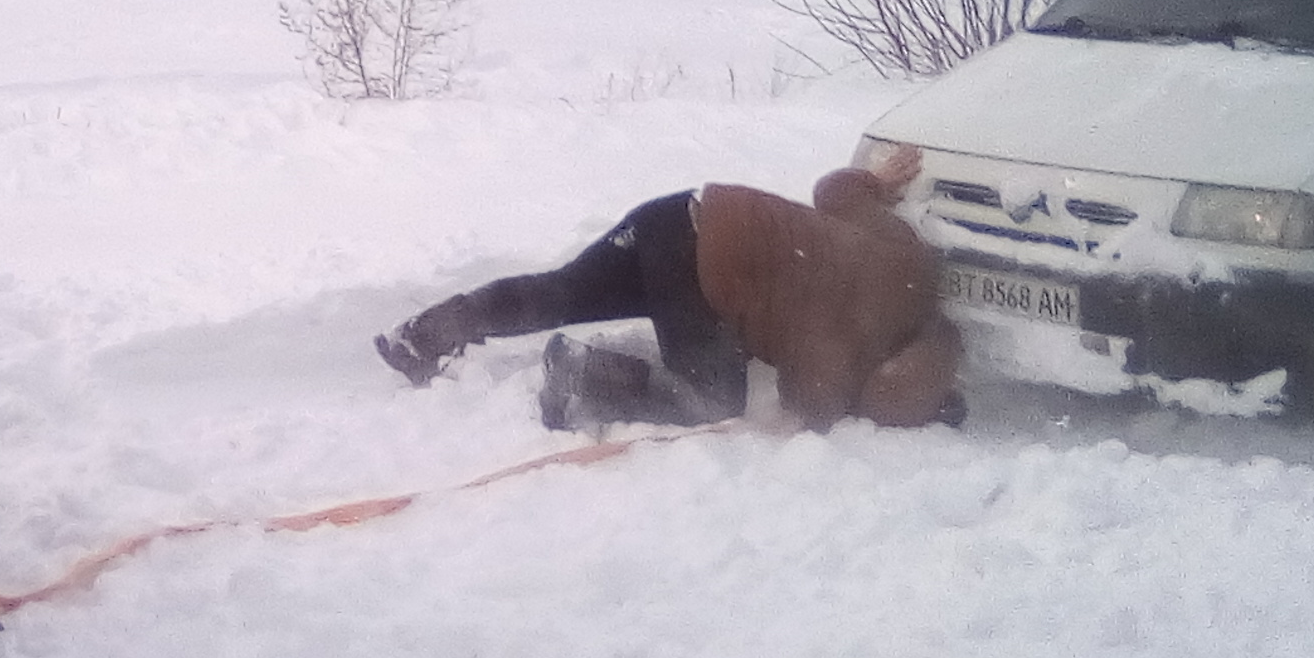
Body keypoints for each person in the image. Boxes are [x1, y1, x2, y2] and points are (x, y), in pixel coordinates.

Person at [375, 147, 964, 432]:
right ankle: (582, 373)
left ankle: (422, 337)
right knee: (713, 400)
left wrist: (874, 179)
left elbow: (835, 190)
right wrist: (854, 398)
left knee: (564, 290)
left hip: (680, 213)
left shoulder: (901, 250)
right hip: (699, 268)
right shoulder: (853, 336)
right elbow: (815, 400)